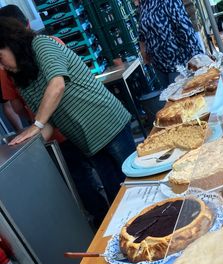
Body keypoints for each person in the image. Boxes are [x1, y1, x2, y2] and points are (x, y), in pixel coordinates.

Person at [0, 18, 135, 205]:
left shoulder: (41, 44)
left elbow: (57, 85)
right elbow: (47, 121)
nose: (1, 66)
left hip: (109, 124)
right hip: (88, 142)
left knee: (137, 181)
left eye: (0, 57)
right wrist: (27, 149)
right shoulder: (20, 77)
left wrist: (36, 125)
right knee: (119, 197)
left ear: (11, 43)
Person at [138, 0, 203, 89]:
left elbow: (185, 29)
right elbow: (142, 31)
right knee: (170, 96)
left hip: (177, 63)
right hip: (158, 65)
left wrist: (198, 57)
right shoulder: (145, 4)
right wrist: (143, 49)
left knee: (182, 94)